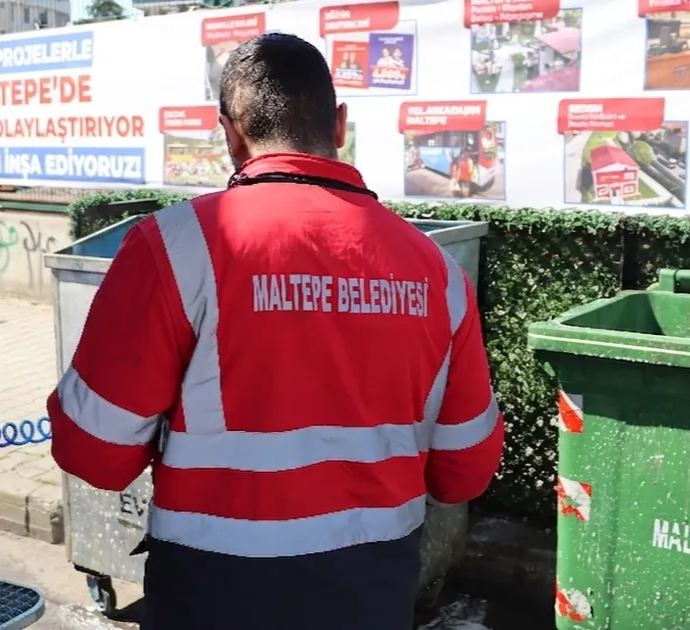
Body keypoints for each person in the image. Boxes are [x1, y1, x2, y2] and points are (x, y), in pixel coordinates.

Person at [48, 33, 504, 630]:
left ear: (230, 133)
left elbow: (93, 452)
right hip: (374, 591)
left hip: (214, 592)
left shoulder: (174, 247)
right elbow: (465, 470)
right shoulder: (436, 273)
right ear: (339, 124)